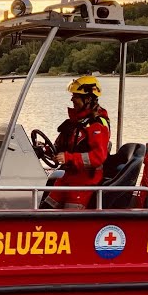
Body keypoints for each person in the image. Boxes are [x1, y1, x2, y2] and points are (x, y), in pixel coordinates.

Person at [48, 75, 111, 209]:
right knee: (45, 209)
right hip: (68, 178)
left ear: (88, 99)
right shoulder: (75, 123)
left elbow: (98, 157)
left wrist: (69, 158)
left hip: (85, 182)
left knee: (68, 217)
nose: (72, 99)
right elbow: (60, 145)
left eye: (75, 96)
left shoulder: (96, 125)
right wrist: (46, 149)